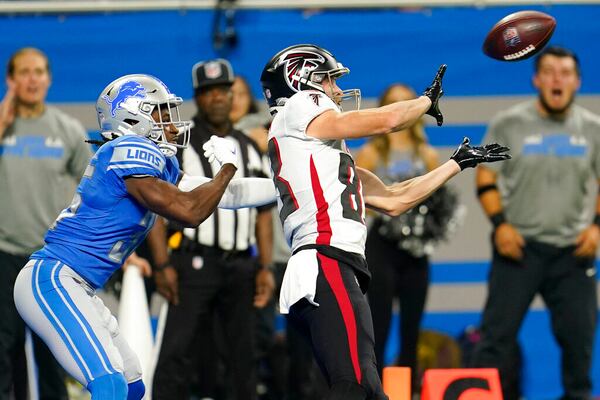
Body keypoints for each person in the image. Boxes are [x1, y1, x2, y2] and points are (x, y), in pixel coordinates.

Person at [259, 43, 510, 400]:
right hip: (326, 261)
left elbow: (395, 199)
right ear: (303, 80)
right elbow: (387, 120)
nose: (337, 90)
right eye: (330, 80)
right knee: (355, 386)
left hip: (330, 266)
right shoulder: (299, 107)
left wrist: (457, 163)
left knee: (368, 390)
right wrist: (424, 102)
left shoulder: (322, 157)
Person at [12, 73, 277, 400]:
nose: (170, 123)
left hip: (78, 285)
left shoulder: (150, 163)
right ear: (131, 116)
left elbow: (223, 195)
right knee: (109, 385)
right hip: (54, 279)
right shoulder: (129, 148)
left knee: (132, 387)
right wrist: (227, 169)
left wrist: (287, 189)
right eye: (161, 113)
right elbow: (190, 211)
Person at [471, 46, 599, 400]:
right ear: (536, 79)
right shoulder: (508, 123)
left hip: (573, 254)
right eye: (550, 72)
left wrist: (596, 227)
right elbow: (486, 179)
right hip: (519, 250)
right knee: (494, 342)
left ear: (577, 81)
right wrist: (500, 225)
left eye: (565, 72)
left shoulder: (593, 128)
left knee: (580, 345)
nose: (557, 78)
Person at [150, 59, 275, 400]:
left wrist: (265, 266)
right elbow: (155, 209)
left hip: (240, 265)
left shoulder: (249, 146)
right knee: (178, 350)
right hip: (193, 262)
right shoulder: (179, 143)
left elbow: (264, 212)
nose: (218, 98)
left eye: (224, 91)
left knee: (243, 356)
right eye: (209, 92)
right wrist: (162, 265)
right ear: (198, 97)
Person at [0, 47, 92, 400]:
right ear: (11, 80)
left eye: (39, 71)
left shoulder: (66, 130)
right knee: (4, 350)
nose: (32, 78)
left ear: (49, 79)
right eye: (24, 72)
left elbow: (93, 187)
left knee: (53, 353)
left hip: (47, 261)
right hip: (4, 255)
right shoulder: (3, 124)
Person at [355, 83, 440, 394]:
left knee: (411, 328)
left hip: (416, 251)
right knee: (379, 324)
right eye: (393, 103)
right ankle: (375, 391)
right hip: (381, 247)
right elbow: (358, 201)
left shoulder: (428, 154)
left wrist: (427, 227)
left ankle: (408, 391)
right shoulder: (369, 152)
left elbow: (438, 201)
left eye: (406, 103)